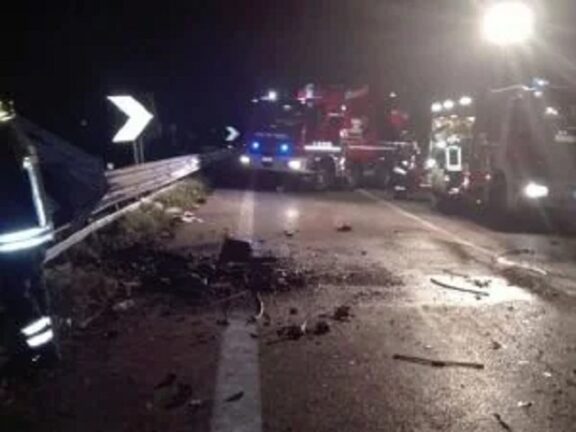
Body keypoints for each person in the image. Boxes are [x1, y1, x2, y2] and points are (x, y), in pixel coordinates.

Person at [0, 102, 58, 369]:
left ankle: (42, 352)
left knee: (15, 296)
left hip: (10, 238)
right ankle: (48, 349)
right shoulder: (20, 145)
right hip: (36, 233)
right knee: (35, 288)